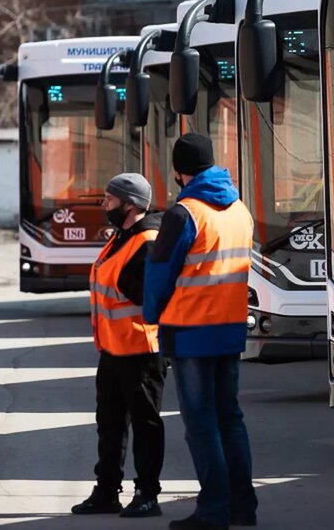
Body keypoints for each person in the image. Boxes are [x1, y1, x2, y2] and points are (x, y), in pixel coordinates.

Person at [144, 134, 257, 530]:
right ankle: (242, 507)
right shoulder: (240, 210)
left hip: (191, 332)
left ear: (179, 171)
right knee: (230, 418)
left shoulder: (184, 214)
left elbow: (159, 275)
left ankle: (213, 510)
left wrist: (152, 315)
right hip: (230, 329)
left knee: (201, 423)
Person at [72, 173, 166, 518]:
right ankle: (107, 491)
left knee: (145, 424)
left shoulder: (147, 240)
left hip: (141, 348)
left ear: (130, 204)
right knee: (109, 423)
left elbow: (144, 292)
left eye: (110, 200)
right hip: (114, 348)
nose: (104, 205)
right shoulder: (122, 237)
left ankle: (147, 494)